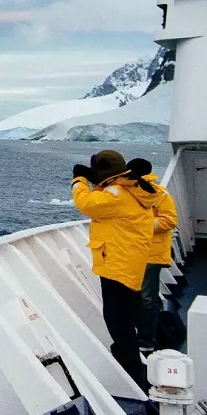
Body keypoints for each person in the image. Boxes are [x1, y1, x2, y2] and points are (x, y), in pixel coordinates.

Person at [71, 150, 155, 383]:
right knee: (125, 316)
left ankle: (131, 372)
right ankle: (130, 360)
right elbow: (106, 197)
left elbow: (86, 204)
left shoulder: (116, 195)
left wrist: (79, 180)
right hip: (128, 262)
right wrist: (98, 180)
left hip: (117, 265)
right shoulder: (132, 189)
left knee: (118, 320)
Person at [126, 159, 179, 353]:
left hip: (150, 254)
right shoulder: (129, 192)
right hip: (132, 252)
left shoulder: (158, 194)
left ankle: (146, 341)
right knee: (136, 296)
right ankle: (139, 334)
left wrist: (143, 224)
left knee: (146, 297)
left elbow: (170, 220)